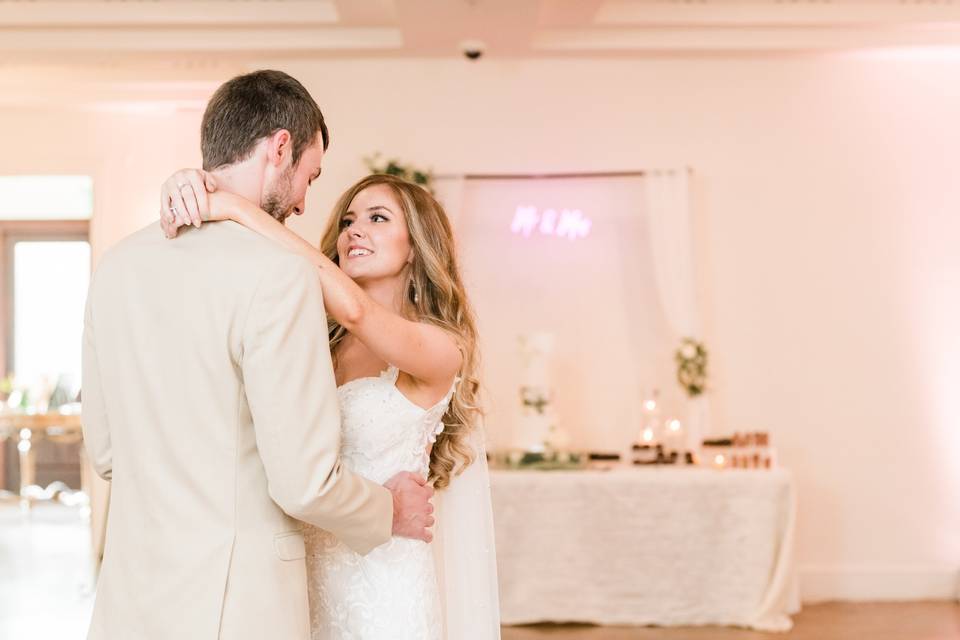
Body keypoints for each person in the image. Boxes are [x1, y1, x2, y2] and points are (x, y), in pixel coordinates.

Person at [81, 69, 435, 640]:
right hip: (235, 606)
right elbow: (303, 482)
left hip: (129, 601)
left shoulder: (115, 267)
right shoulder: (279, 274)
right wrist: (388, 511)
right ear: (280, 148)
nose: (302, 203)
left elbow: (105, 452)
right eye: (309, 177)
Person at [163, 167, 501, 639]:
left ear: (416, 247)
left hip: (386, 589)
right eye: (347, 221)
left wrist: (237, 208)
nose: (354, 230)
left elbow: (357, 311)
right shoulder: (314, 339)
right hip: (298, 582)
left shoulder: (442, 348)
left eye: (378, 218)